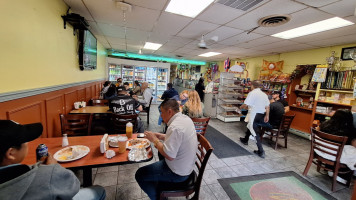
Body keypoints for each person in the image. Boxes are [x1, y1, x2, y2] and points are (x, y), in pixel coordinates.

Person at [0, 120, 106, 200]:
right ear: (11, 153)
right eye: (25, 140)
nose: (27, 143)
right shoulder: (47, 174)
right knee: (99, 190)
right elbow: (74, 186)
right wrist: (52, 168)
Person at [135, 99, 198, 200]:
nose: (160, 116)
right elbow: (177, 138)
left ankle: (158, 198)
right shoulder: (185, 119)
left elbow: (169, 155)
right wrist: (160, 136)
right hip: (187, 167)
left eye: (162, 112)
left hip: (178, 173)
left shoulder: (175, 127)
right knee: (159, 156)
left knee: (140, 174)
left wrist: (154, 140)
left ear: (169, 111)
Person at [239, 80, 270, 158]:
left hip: (254, 114)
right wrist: (267, 115)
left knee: (255, 132)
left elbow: (246, 104)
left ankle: (261, 151)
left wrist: (240, 107)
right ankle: (245, 140)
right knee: (251, 126)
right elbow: (267, 106)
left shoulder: (252, 93)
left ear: (252, 85)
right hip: (261, 114)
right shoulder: (264, 94)